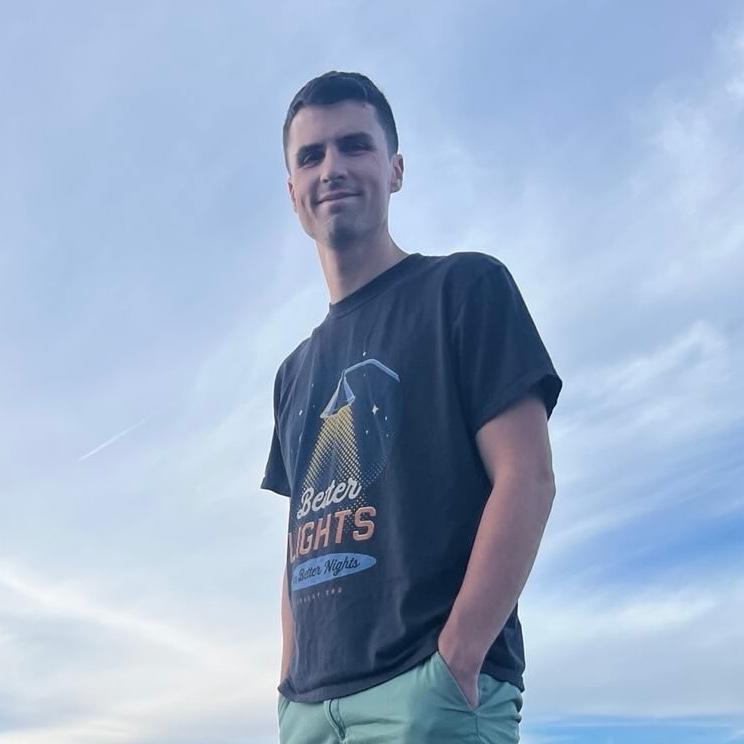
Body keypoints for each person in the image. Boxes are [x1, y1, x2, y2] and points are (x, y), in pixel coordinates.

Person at [260, 70, 562, 744]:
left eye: (354, 146)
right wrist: (289, 683)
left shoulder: (465, 289)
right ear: (293, 191)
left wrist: (458, 660)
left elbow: (528, 477)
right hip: (311, 712)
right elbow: (300, 540)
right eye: (311, 156)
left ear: (395, 169)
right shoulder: (294, 374)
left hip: (427, 695)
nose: (332, 169)